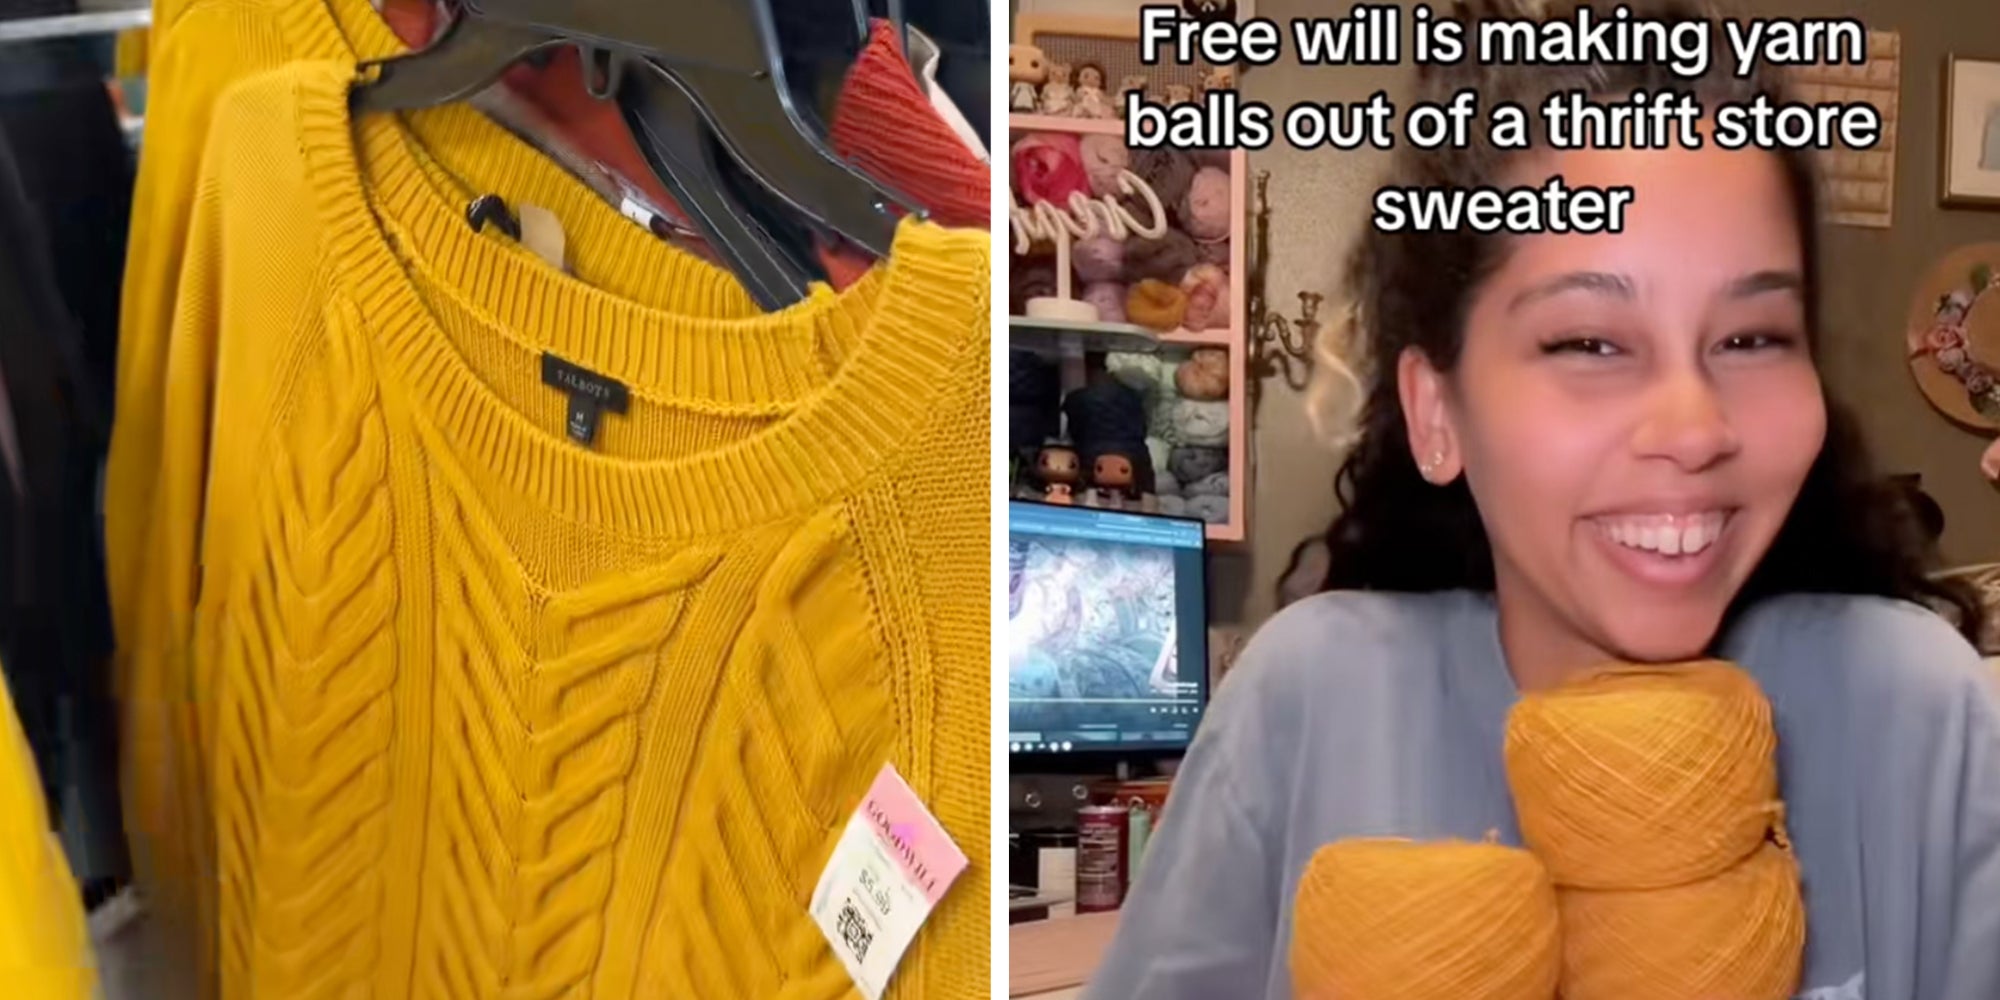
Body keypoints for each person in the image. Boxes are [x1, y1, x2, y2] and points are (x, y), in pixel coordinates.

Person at [1083, 2, 2000, 998]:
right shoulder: (1302, 701)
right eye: (1586, 343)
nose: (1692, 429)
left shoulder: (1918, 715)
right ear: (1436, 412)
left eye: (1750, 338)